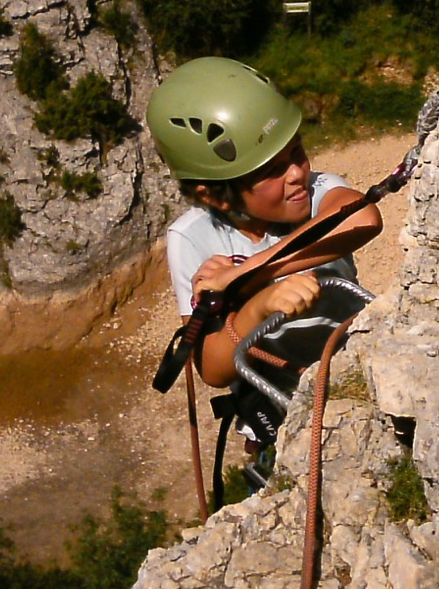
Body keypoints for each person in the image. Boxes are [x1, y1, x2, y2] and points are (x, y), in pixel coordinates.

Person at [146, 57, 382, 389]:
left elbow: (362, 217)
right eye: (271, 171)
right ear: (216, 196)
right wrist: (257, 308)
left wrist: (246, 274)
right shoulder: (191, 238)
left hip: (360, 368)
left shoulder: (317, 194)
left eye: (297, 151)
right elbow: (212, 370)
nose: (297, 173)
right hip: (275, 406)